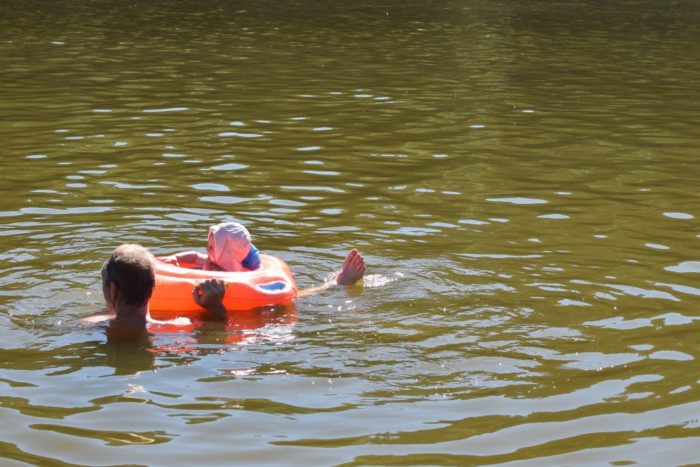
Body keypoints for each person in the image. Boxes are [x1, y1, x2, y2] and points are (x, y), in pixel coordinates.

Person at [159, 222, 260, 272]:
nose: (207, 250)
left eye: (211, 248)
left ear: (225, 254)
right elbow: (195, 257)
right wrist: (176, 258)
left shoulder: (233, 274)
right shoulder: (212, 261)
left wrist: (206, 270)